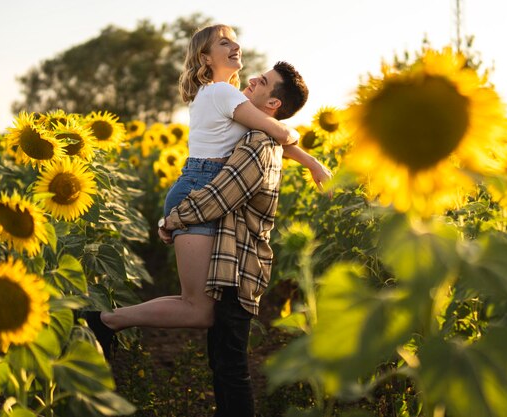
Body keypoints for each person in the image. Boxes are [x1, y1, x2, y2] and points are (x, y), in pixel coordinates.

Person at [85, 25, 328, 356]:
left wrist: (311, 163)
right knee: (197, 309)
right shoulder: (221, 93)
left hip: (202, 185)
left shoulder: (224, 95)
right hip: (201, 188)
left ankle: (107, 321)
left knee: (199, 305)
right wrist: (306, 153)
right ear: (205, 57)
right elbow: (278, 132)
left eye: (234, 39)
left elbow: (271, 138)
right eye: (224, 42)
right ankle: (104, 321)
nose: (235, 45)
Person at [157, 60, 312, 417]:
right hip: (234, 262)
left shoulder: (257, 142)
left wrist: (171, 220)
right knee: (225, 365)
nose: (254, 79)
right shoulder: (256, 135)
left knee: (231, 369)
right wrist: (311, 162)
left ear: (273, 105)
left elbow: (220, 197)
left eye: (264, 82)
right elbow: (284, 140)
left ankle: (109, 320)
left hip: (239, 267)